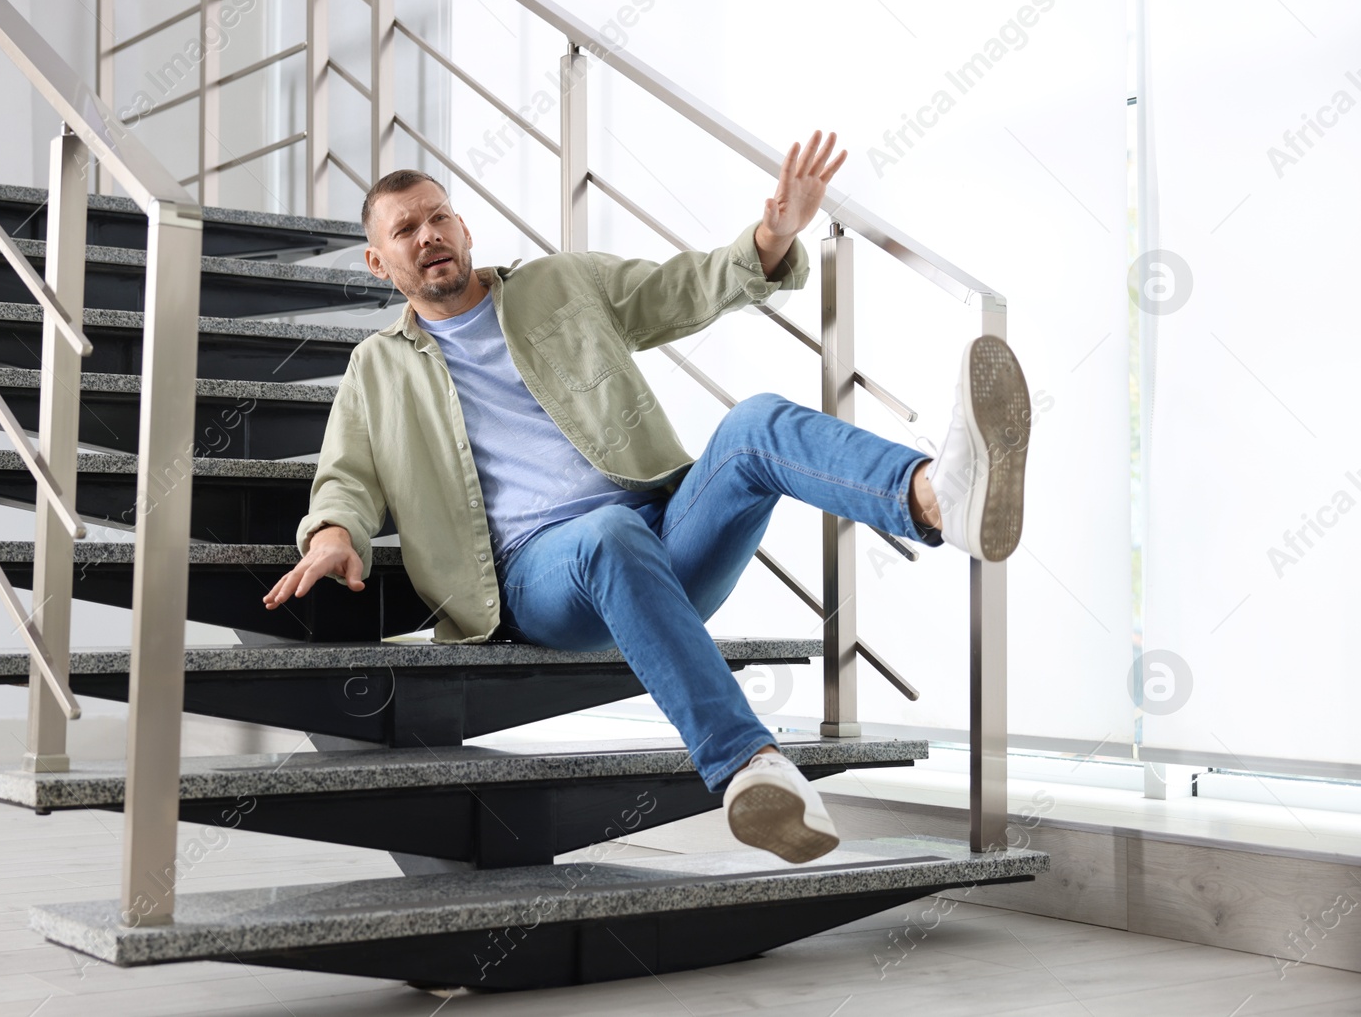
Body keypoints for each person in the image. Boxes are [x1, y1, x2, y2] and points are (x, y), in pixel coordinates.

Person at [262, 130, 1030, 864]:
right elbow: (348, 477)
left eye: (438, 218)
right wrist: (333, 533)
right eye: (406, 230)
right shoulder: (378, 367)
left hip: (664, 534)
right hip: (535, 578)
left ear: (463, 227)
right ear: (377, 259)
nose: (428, 235)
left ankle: (934, 497)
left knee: (754, 422)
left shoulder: (560, 284)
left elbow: (679, 290)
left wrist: (768, 239)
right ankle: (750, 766)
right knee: (605, 536)